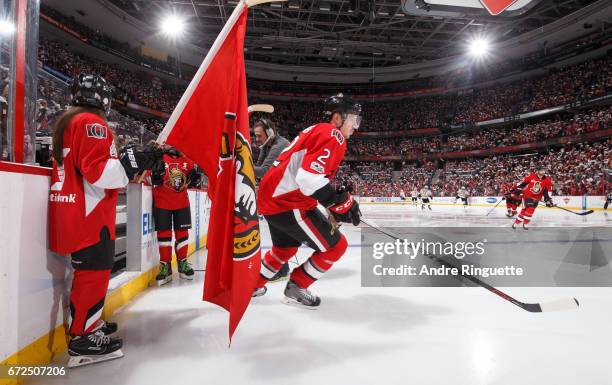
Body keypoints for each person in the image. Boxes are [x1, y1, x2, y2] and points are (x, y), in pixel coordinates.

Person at [48, 74, 158, 367]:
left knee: (90, 273)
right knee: (93, 273)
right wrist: (128, 162)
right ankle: (83, 337)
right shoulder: (91, 123)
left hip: (74, 209)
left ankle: (90, 324)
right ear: (104, 100)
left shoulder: (68, 122)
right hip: (89, 212)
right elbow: (97, 171)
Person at [252, 93, 362, 309]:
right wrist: (340, 203)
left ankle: (253, 285)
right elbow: (308, 179)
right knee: (336, 247)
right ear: (338, 118)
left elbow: (306, 178)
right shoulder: (333, 135)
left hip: (272, 198)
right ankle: (297, 286)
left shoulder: (317, 129)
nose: (355, 126)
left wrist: (334, 203)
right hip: (287, 201)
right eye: (353, 119)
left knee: (284, 249)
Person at [151, 147, 201, 286]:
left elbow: (191, 180)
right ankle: (165, 266)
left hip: (182, 203)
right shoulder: (159, 157)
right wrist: (155, 176)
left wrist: (194, 180)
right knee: (164, 236)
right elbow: (150, 177)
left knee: (182, 235)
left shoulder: (188, 160)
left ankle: (182, 263)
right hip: (162, 203)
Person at [252, 117, 291, 281]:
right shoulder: (266, 145)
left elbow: (262, 171)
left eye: (259, 135)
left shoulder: (279, 145)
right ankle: (281, 266)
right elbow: (258, 169)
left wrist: (240, 160)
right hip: (278, 193)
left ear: (269, 133)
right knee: (278, 230)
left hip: (287, 193)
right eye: (255, 136)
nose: (257, 139)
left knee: (280, 231)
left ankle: (282, 269)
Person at [512, 165, 554, 230]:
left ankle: (516, 223)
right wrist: (518, 190)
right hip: (527, 196)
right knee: (530, 209)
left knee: (525, 211)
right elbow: (523, 184)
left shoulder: (547, 180)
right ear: (537, 171)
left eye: (544, 170)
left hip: (536, 199)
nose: (543, 171)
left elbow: (546, 191)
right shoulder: (531, 176)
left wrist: (547, 200)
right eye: (542, 170)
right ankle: (525, 223)